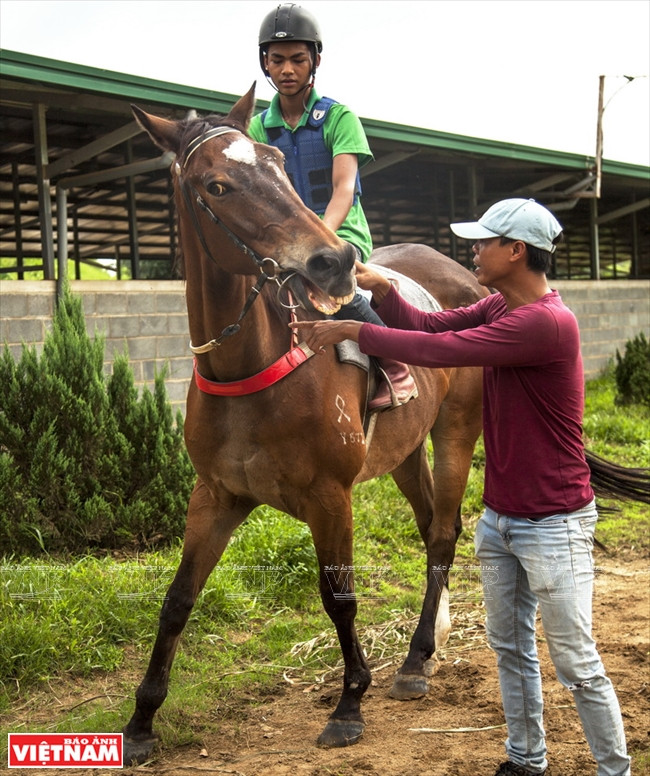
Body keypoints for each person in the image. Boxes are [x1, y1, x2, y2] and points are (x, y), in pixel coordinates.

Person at [289, 198, 631, 776]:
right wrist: (380, 290)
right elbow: (428, 325)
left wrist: (352, 329)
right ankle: (525, 759)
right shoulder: (500, 305)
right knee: (511, 649)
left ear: (516, 251)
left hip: (553, 525)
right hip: (500, 520)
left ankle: (614, 768)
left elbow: (439, 351)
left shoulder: (543, 324)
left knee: (576, 663)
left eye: (484, 241)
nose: (473, 250)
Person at [248, 2, 416, 411]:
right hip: (288, 237)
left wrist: (320, 237)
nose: (287, 69)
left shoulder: (339, 118)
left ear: (315, 61)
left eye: (297, 60)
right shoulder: (257, 127)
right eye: (277, 60)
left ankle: (396, 365)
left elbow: (344, 189)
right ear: (265, 65)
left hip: (339, 231)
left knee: (336, 286)